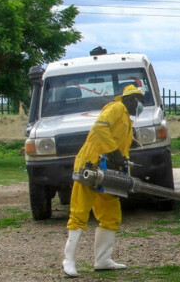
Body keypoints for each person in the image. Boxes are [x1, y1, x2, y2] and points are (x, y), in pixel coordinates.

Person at [62, 84, 144, 277]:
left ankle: (103, 260)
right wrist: (113, 152)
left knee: (110, 215)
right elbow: (99, 127)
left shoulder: (127, 120)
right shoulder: (116, 108)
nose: (141, 106)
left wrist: (124, 170)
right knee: (80, 212)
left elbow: (122, 152)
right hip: (90, 166)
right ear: (131, 99)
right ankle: (69, 260)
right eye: (140, 101)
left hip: (108, 171)